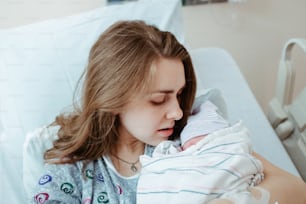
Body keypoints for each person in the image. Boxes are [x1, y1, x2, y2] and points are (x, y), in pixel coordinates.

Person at [30, 20, 306, 204]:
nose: (176, 111)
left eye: (179, 94)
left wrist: (235, 200)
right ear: (112, 99)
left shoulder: (193, 134)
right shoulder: (71, 171)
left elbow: (297, 190)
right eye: (158, 100)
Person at [137, 99, 269, 204]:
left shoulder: (227, 145)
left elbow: (287, 184)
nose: (178, 114)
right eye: (159, 99)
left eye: (179, 94)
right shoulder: (167, 153)